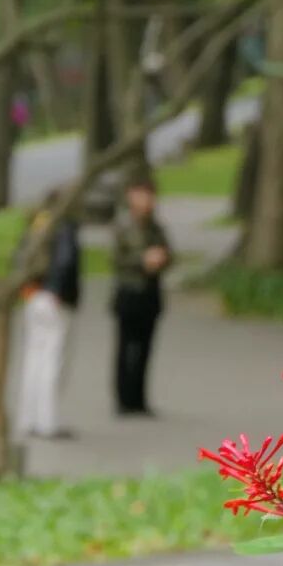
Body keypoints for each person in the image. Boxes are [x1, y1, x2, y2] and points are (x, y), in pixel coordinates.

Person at [15, 190, 81, 439]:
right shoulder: (63, 227)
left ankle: (28, 418)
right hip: (54, 298)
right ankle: (48, 421)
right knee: (53, 361)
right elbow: (66, 261)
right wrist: (59, 290)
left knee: (33, 358)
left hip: (33, 295)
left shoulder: (36, 223)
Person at [112, 176, 173, 416]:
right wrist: (142, 260)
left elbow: (170, 254)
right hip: (129, 291)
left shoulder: (156, 228)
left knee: (146, 347)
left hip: (150, 292)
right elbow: (118, 259)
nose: (146, 201)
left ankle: (139, 398)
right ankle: (123, 398)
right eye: (141, 194)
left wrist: (161, 259)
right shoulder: (123, 227)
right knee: (126, 346)